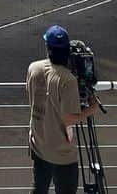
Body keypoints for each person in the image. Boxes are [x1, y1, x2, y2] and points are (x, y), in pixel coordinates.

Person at [26, 25, 101, 194]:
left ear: (47, 48)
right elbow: (69, 118)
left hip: (39, 145)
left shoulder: (33, 68)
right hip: (62, 154)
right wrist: (92, 108)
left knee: (38, 189)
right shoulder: (67, 80)